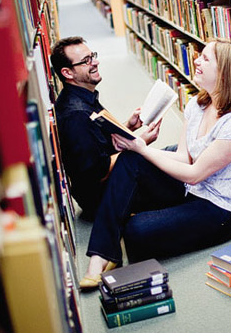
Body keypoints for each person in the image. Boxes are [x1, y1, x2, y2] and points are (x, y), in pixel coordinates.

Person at [80, 38, 231, 288]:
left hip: (220, 209)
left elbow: (194, 173)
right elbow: (183, 158)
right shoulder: (198, 104)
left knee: (135, 231)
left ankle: (120, 225)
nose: (196, 60)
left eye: (205, 59)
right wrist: (136, 146)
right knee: (131, 159)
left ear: (225, 72)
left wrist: (142, 148)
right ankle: (100, 256)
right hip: (191, 189)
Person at [51, 36, 161, 221]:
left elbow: (96, 141)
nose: (96, 62)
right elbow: (96, 173)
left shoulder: (82, 96)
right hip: (106, 197)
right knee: (176, 171)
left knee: (174, 156)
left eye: (92, 55)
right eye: (86, 61)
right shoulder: (76, 115)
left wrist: (127, 127)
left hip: (113, 182)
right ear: (68, 73)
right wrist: (140, 143)